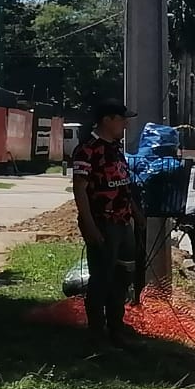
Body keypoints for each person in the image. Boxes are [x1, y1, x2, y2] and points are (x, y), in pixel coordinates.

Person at [70, 99, 139, 346]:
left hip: (123, 222)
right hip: (103, 223)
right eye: (122, 119)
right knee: (102, 278)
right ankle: (97, 332)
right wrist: (89, 225)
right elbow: (79, 189)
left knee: (122, 277)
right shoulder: (87, 150)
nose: (125, 124)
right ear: (107, 120)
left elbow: (124, 185)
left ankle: (116, 326)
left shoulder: (115, 149)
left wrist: (136, 213)